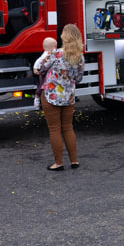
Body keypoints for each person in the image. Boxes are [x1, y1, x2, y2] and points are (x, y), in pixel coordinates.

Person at [38, 24, 84, 171]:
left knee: (54, 130)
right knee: (68, 128)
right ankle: (74, 161)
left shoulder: (56, 54)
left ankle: (58, 163)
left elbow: (41, 68)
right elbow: (79, 78)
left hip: (51, 96)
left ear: (64, 37)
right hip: (68, 96)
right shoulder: (80, 57)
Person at [32, 37, 58, 109]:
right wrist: (35, 68)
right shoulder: (47, 54)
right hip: (45, 73)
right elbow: (38, 61)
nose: (56, 48)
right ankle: (37, 99)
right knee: (41, 85)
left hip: (49, 73)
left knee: (46, 86)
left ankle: (41, 99)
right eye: (55, 47)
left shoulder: (51, 53)